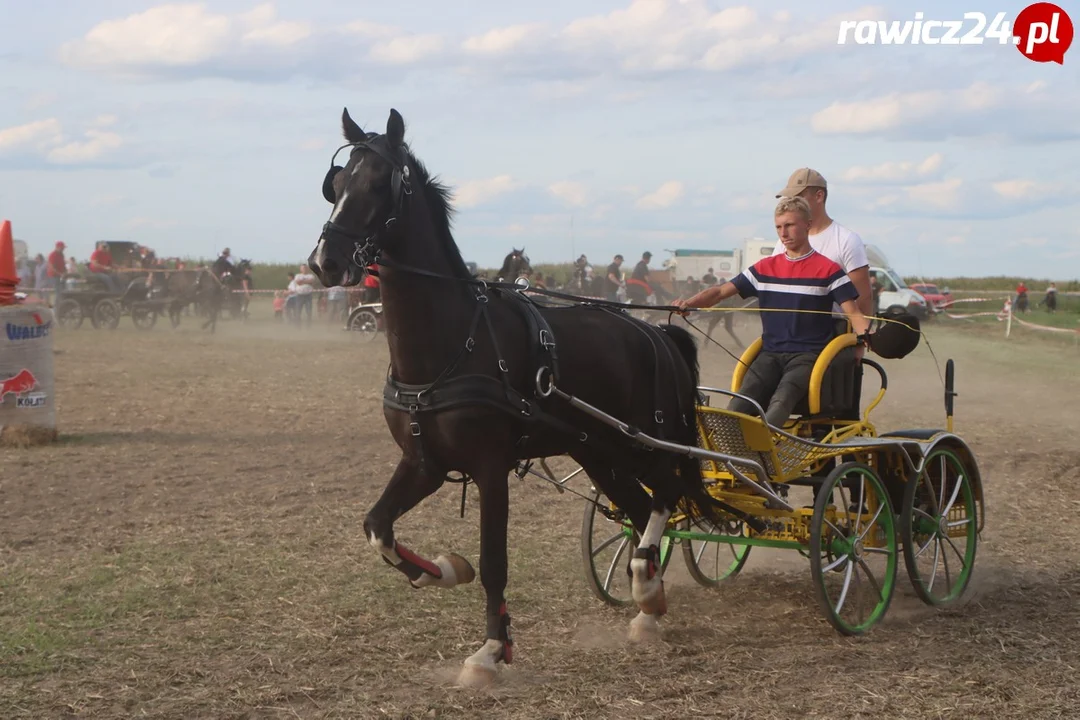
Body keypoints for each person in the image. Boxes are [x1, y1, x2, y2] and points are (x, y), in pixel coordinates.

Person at [674, 196, 872, 427]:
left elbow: (854, 314)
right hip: (770, 354)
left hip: (807, 356)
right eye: (779, 227)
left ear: (807, 224)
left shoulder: (829, 270)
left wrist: (868, 338)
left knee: (781, 401)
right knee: (740, 402)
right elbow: (719, 293)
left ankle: (765, 453)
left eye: (789, 225)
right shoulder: (764, 268)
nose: (783, 233)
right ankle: (731, 453)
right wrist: (688, 303)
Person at [774, 168, 874, 321]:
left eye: (798, 197)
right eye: (789, 198)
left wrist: (859, 340)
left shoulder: (847, 240)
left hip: (834, 335)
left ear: (819, 196)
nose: (791, 203)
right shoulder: (783, 243)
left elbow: (863, 298)